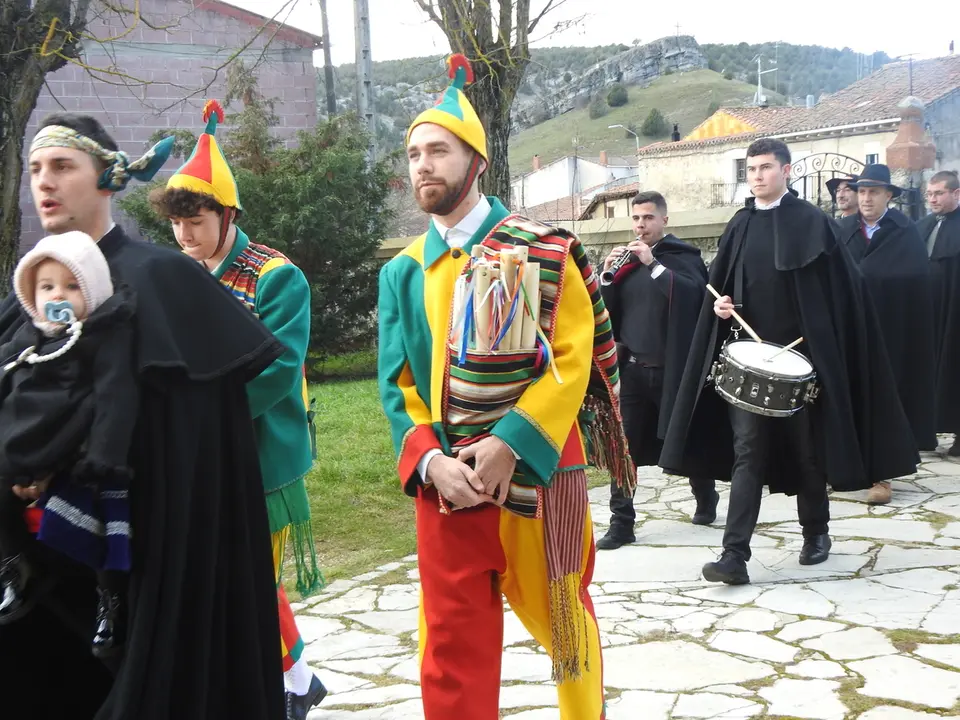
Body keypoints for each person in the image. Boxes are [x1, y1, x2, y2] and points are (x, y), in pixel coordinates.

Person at [0, 112, 286, 720]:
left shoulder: (164, 279)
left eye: (62, 166)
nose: (43, 183)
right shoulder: (32, 290)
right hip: (43, 572)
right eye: (34, 170)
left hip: (148, 554)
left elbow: (195, 440)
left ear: (106, 178)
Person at [378, 54, 632, 720]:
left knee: (563, 624)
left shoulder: (541, 249)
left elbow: (572, 360)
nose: (422, 165)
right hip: (447, 486)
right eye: (412, 154)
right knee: (450, 644)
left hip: (538, 478)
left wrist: (510, 443)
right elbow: (396, 384)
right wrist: (431, 460)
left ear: (477, 161)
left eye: (438, 150)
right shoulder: (403, 274)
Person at [660, 138, 918, 586]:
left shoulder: (812, 222)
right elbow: (724, 286)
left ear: (787, 170)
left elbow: (842, 294)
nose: (757, 176)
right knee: (748, 453)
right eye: (752, 169)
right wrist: (723, 306)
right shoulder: (739, 224)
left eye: (765, 168)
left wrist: (819, 341)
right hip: (748, 361)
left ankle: (816, 532)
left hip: (803, 361)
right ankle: (734, 555)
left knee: (807, 454)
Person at [148, 100, 327, 720]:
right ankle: (296, 677)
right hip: (199, 452)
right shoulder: (177, 274)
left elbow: (279, 370)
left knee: (249, 575)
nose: (185, 236)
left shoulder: (278, 277)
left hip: (260, 455)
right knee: (233, 575)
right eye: (176, 224)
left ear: (229, 215)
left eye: (196, 221)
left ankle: (283, 684)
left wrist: (203, 414)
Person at [0, 231, 136, 659]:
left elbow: (117, 394)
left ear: (92, 290)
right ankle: (14, 564)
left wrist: (102, 455)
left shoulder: (102, 333)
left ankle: (109, 599)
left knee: (100, 513)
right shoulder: (29, 335)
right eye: (47, 287)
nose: (58, 296)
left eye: (71, 286)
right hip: (24, 439)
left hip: (75, 444)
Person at [596, 190, 716, 551]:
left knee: (685, 439)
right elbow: (607, 313)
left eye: (648, 218)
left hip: (674, 371)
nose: (640, 225)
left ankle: (705, 494)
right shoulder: (628, 262)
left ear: (664, 219)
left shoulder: (683, 258)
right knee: (625, 447)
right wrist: (605, 276)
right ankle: (622, 523)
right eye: (635, 219)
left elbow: (693, 297)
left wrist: (654, 264)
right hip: (633, 371)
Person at [835, 164, 937, 503]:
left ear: (888, 196)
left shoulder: (904, 231)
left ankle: (883, 476)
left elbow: (914, 280)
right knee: (845, 398)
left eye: (873, 192)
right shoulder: (843, 230)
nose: (865, 198)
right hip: (849, 331)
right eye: (861, 191)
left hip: (891, 331)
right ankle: (843, 469)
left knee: (885, 400)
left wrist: (872, 279)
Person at [919, 170, 960, 460]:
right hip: (926, 313)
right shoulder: (922, 225)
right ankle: (924, 431)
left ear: (956, 194)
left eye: (938, 193)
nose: (932, 199)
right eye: (929, 194)